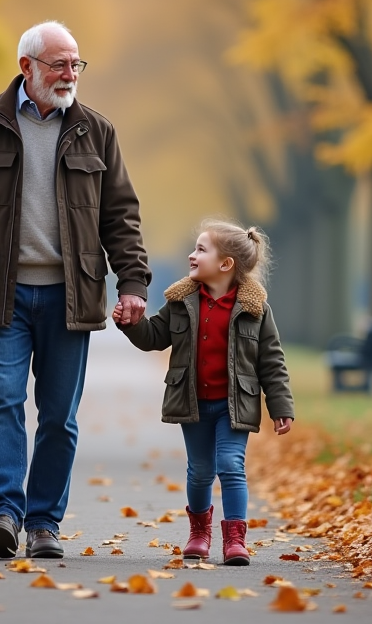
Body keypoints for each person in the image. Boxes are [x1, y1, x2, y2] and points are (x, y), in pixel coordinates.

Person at [0, 20, 150, 559]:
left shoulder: (95, 130)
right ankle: (5, 515)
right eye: (58, 63)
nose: (69, 73)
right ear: (26, 66)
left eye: (75, 63)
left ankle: (44, 524)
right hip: (0, 295)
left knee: (59, 415)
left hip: (69, 296)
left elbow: (120, 216)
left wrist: (132, 283)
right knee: (3, 401)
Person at [113, 220, 294, 566]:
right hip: (193, 401)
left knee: (231, 465)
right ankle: (199, 533)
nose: (191, 255)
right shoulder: (181, 302)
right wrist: (130, 323)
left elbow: (272, 362)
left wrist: (280, 405)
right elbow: (154, 337)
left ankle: (235, 540)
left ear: (226, 264)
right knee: (199, 471)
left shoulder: (255, 310)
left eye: (200, 249)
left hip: (234, 404)